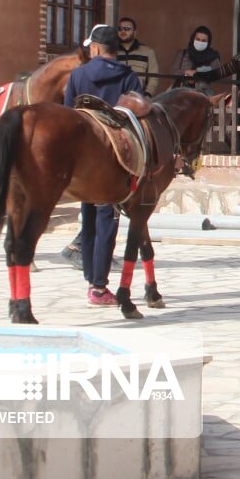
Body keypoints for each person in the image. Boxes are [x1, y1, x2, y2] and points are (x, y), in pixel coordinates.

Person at [64, 25, 145, 307]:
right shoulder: (129, 76)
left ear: (96, 48)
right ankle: (98, 287)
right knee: (106, 220)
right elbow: (136, 118)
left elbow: (68, 114)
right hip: (113, 158)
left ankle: (90, 278)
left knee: (87, 216)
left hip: (81, 158)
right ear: (114, 49)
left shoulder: (78, 74)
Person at [115, 17, 162, 94]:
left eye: (127, 28)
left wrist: (148, 94)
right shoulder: (112, 52)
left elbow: (153, 77)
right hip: (117, 97)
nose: (123, 31)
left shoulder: (147, 52)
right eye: (120, 28)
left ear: (135, 32)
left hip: (139, 97)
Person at [172, 25, 224, 92]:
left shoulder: (213, 57)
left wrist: (198, 74)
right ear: (193, 39)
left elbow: (217, 74)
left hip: (203, 94)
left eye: (203, 41)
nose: (200, 42)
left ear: (208, 43)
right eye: (198, 39)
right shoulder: (182, 53)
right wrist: (186, 73)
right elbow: (173, 72)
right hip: (181, 92)